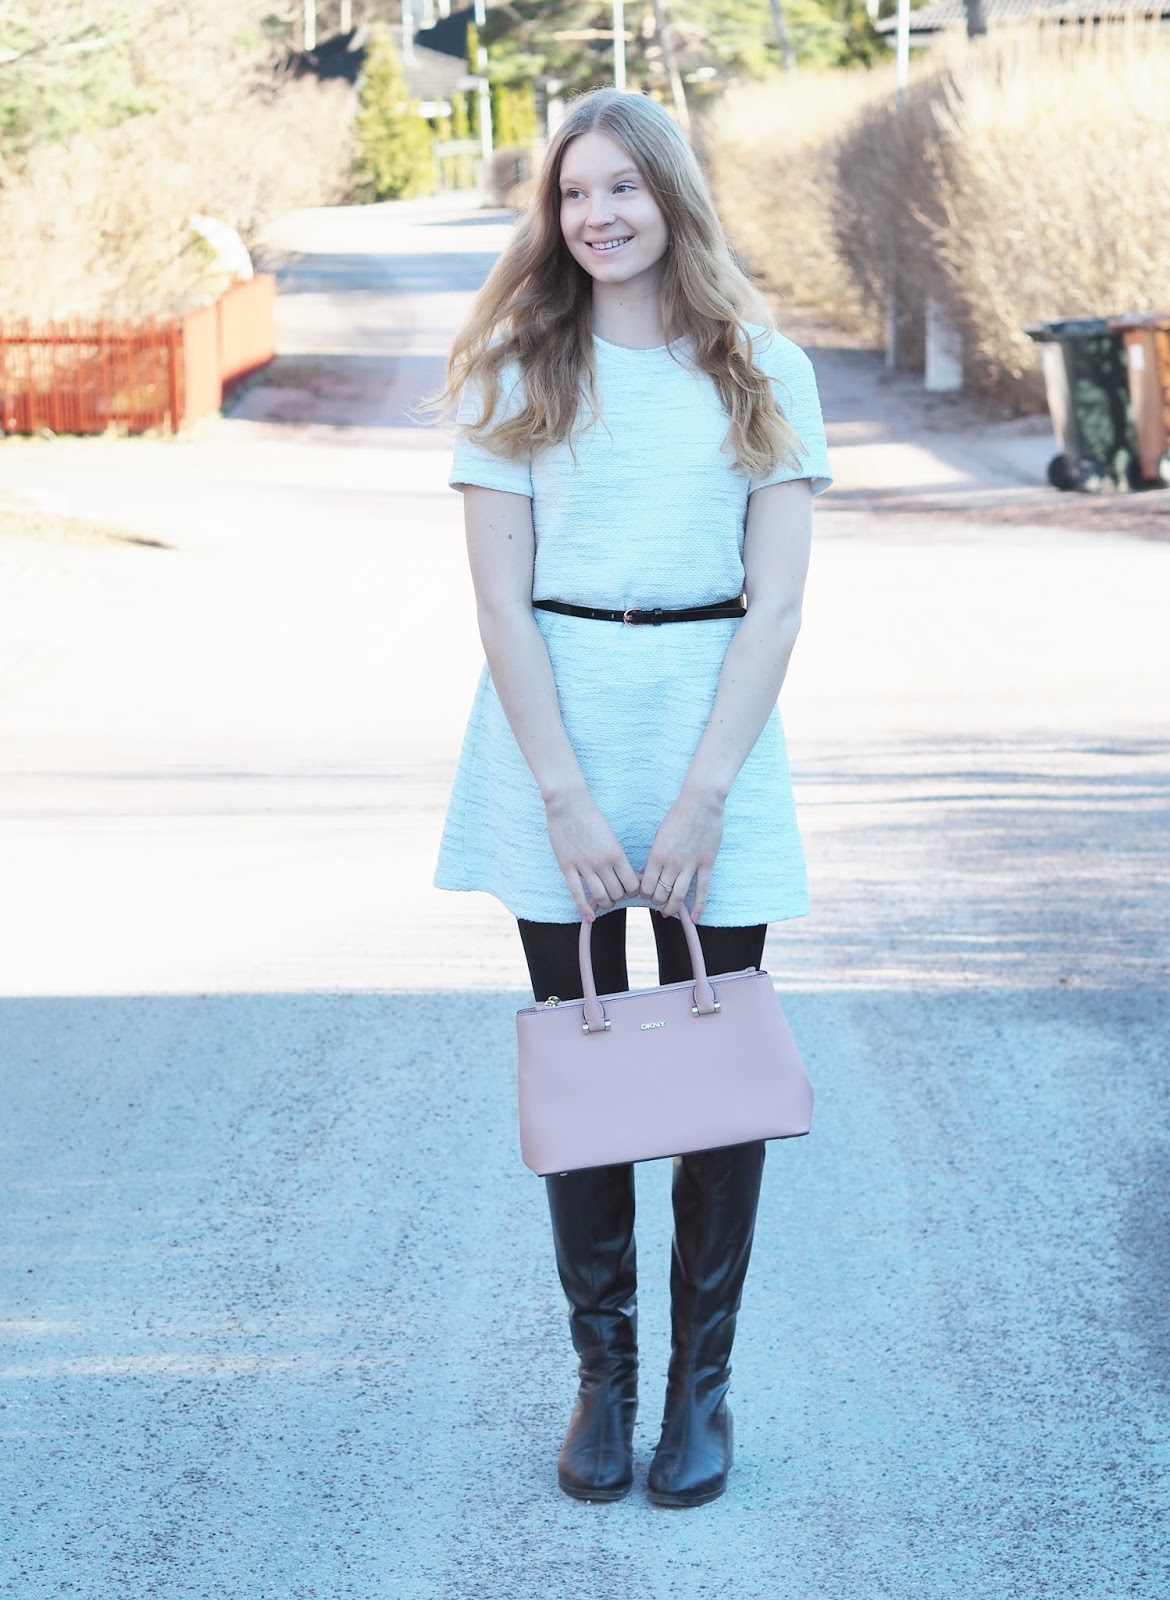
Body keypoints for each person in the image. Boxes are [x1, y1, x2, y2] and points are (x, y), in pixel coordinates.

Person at [430, 88, 832, 1508]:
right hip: (559, 739)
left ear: (672, 197)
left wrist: (704, 795)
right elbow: (499, 605)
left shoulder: (763, 369)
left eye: (623, 188)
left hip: (714, 736)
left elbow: (778, 605)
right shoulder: (514, 370)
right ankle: (603, 1378)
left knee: (718, 1076)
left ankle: (697, 1391)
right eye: (573, 192)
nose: (597, 215)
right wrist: (564, 798)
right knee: (588, 1062)